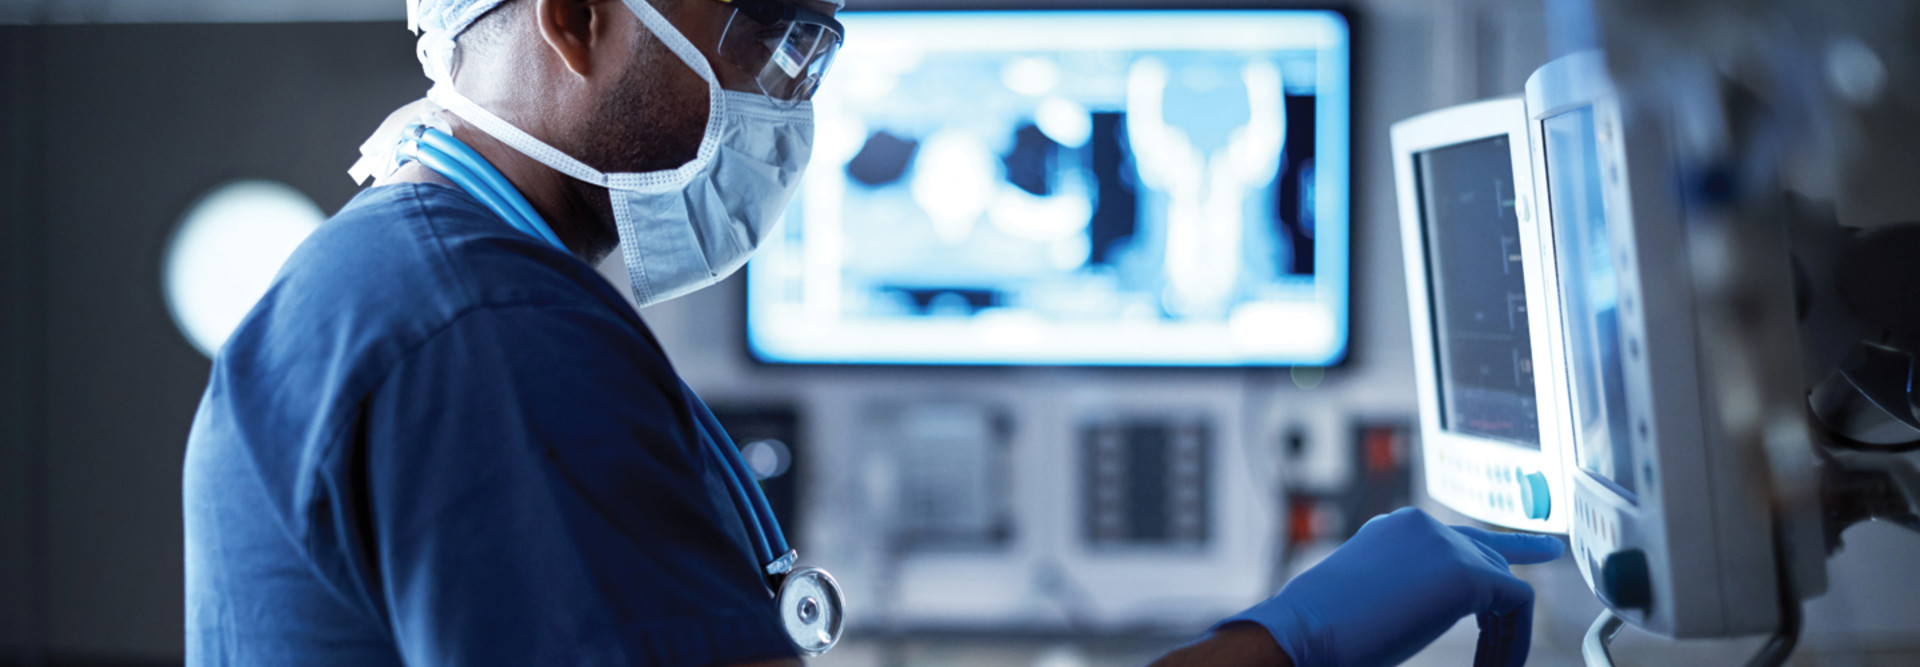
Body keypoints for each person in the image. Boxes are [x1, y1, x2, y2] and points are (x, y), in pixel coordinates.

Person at [180, 0, 1565, 664]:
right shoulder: (486, 337)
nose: (789, 104)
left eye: (814, 53)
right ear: (578, 16)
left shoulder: (412, 282)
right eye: (765, 35)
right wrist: (1290, 648)